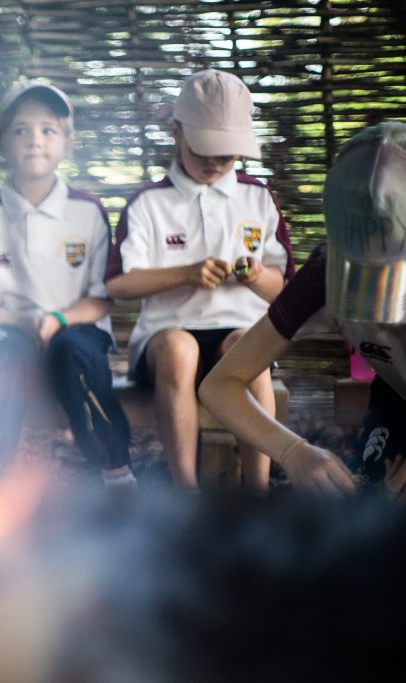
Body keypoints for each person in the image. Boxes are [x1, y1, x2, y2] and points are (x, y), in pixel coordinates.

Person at [104, 69, 294, 493]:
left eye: (226, 155)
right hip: (164, 338)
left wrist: (256, 275)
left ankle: (257, 490)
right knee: (179, 347)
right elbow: (119, 284)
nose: (213, 163)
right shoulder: (149, 203)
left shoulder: (257, 199)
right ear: (176, 132)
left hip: (239, 329)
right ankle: (184, 493)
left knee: (247, 348)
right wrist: (186, 273)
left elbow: (285, 290)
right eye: (203, 150)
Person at [199, 121, 406, 498]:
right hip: (396, 392)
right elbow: (219, 385)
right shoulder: (321, 275)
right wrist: (292, 451)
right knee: (371, 511)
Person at [0, 79, 136, 491]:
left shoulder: (86, 212)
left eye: (48, 130)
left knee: (75, 353)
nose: (35, 140)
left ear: (68, 142)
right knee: (2, 361)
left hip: (75, 329)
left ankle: (118, 476)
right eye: (21, 130)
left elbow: (100, 298)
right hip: (8, 329)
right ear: (0, 143)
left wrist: (57, 318)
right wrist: (22, 322)